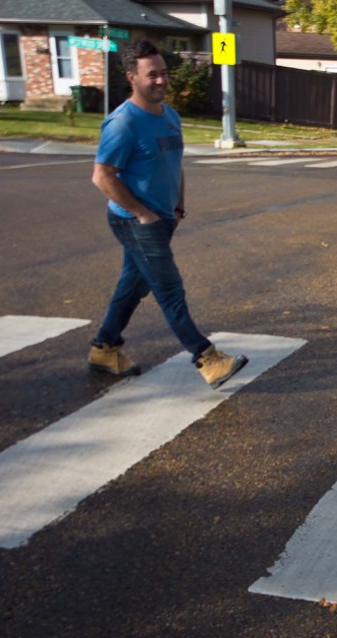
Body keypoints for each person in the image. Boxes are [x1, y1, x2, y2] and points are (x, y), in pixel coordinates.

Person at [88, 40, 247, 389]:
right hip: (134, 221)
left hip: (163, 218)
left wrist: (177, 208)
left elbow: (175, 166)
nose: (160, 81)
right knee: (169, 288)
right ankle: (206, 358)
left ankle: (104, 347)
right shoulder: (123, 123)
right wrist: (143, 214)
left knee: (132, 287)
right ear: (132, 77)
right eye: (152, 75)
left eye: (163, 73)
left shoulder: (170, 116)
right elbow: (102, 176)